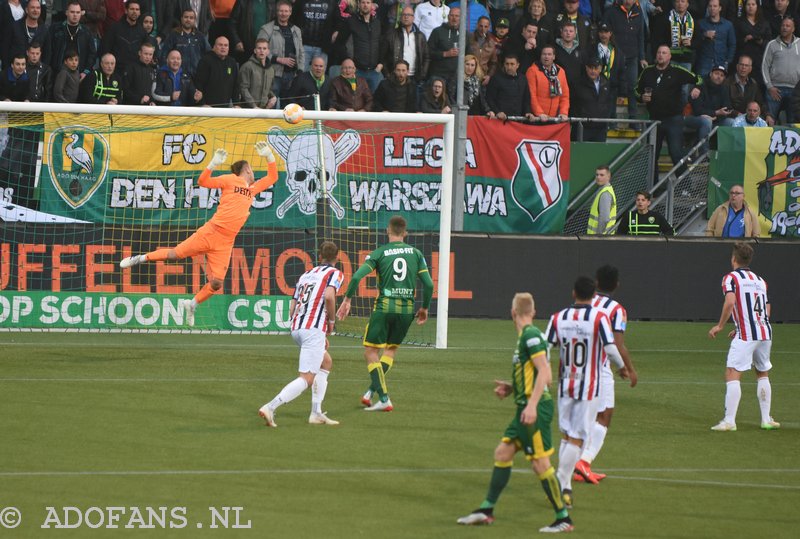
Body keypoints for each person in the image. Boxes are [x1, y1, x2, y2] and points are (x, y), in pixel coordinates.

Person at [120, 141, 279, 327]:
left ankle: (192, 304)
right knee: (174, 254)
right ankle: (140, 258)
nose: (253, 173)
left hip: (226, 242)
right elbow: (203, 181)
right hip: (211, 231)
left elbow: (273, 177)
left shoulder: (253, 190)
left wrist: (269, 156)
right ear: (247, 170)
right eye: (251, 169)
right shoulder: (229, 179)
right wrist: (213, 163)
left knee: (217, 283)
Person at [456, 292, 573, 534]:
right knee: (503, 451)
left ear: (512, 313)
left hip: (534, 409)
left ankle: (563, 518)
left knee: (540, 464)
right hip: (525, 405)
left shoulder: (530, 336)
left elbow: (545, 373)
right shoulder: (528, 337)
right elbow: (537, 373)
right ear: (533, 311)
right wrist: (512, 387)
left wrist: (531, 405)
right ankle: (486, 510)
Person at [336, 215, 434, 412]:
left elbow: (356, 277)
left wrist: (347, 300)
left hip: (384, 307)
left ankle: (384, 398)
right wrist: (424, 308)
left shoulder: (379, 253)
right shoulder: (416, 254)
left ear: (387, 231)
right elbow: (430, 285)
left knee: (370, 352)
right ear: (405, 233)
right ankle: (370, 392)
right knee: (390, 350)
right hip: (406, 311)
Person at [545, 276, 627, 510]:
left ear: (573, 293)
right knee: (577, 438)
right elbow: (610, 348)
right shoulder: (599, 318)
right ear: (593, 296)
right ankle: (561, 481)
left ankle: (565, 485)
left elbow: (544, 346)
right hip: (588, 387)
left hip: (565, 385)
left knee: (566, 435)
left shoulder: (558, 318)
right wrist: (622, 367)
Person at [258, 241, 343, 428]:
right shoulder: (334, 273)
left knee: (325, 362)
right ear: (337, 258)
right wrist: (330, 322)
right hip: (312, 329)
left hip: (297, 327)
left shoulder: (306, 274)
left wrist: (313, 331)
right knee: (306, 378)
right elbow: (329, 296)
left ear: (319, 256)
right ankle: (270, 407)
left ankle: (316, 412)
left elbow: (293, 306)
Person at [573, 266, 638, 484]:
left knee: (585, 416)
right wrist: (628, 368)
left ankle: (579, 465)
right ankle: (584, 461)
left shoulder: (585, 301)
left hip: (577, 364)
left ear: (596, 282)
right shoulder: (616, 309)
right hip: (600, 368)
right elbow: (618, 345)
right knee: (604, 415)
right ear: (617, 284)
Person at [708, 242, 779, 432]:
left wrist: (721, 325)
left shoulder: (730, 278)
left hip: (748, 333)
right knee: (762, 373)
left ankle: (729, 421)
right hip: (764, 331)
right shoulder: (760, 280)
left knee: (732, 372)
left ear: (733, 259)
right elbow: (767, 307)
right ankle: (766, 419)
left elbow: (730, 302)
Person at [636, 45, 702, 172]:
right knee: (651, 155)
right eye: (659, 52)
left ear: (670, 56)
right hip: (654, 120)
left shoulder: (677, 71)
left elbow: (699, 79)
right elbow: (635, 91)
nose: (661, 55)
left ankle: (685, 189)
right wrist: (641, 97)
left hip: (673, 119)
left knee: (676, 154)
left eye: (664, 53)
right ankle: (652, 189)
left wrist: (697, 88)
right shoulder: (647, 71)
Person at [604, 0, 647, 122]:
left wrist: (642, 56)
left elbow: (641, 36)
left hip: (632, 56)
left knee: (632, 87)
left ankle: (633, 118)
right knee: (613, 87)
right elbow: (604, 33)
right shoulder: (611, 12)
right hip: (615, 55)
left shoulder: (639, 13)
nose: (628, 1)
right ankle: (611, 120)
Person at [257, 0, 304, 102]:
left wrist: (300, 70)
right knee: (271, 105)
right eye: (281, 11)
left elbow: (301, 52)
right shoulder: (266, 29)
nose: (284, 14)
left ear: (290, 12)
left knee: (288, 109)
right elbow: (259, 49)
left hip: (292, 75)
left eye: (286, 11)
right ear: (277, 12)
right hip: (273, 74)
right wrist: (279, 59)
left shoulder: (296, 30)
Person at [685, 64, 736, 153]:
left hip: (715, 119)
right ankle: (704, 155)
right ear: (710, 74)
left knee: (731, 122)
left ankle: (725, 153)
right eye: (716, 73)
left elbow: (727, 109)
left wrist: (715, 116)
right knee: (706, 121)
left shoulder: (724, 88)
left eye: (722, 75)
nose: (719, 77)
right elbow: (697, 110)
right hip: (694, 118)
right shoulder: (700, 86)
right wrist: (715, 113)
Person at [337, 0, 384, 94]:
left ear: (372, 5)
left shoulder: (377, 23)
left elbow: (382, 44)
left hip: (374, 72)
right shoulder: (350, 22)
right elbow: (339, 43)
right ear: (358, 4)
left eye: (368, 2)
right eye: (363, 2)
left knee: (374, 103)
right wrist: (348, 61)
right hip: (356, 71)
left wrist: (381, 63)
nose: (365, 5)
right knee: (355, 102)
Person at [761, 17, 800, 125]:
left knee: (794, 124)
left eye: (788, 26)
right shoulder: (772, 44)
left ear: (793, 29)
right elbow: (764, 66)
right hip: (775, 90)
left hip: (795, 91)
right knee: (769, 122)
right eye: (783, 25)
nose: (784, 28)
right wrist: (769, 87)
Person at [43, 1, 97, 77]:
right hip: (57, 73)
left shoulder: (86, 32)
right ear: (66, 13)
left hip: (79, 74)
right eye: (72, 12)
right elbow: (48, 51)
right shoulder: (55, 29)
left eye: (78, 12)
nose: (75, 15)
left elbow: (92, 54)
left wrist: (86, 71)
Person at [382, 5, 429, 87]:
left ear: (413, 18)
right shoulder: (391, 34)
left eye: (409, 15)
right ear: (400, 17)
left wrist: (422, 75)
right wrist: (388, 75)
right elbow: (383, 57)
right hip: (396, 78)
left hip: (415, 78)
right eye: (404, 15)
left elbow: (426, 57)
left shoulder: (420, 36)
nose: (406, 17)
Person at [569, 57, 612, 142]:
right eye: (590, 68)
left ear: (600, 69)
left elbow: (608, 103)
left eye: (596, 68)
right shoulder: (577, 83)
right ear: (586, 68)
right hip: (581, 127)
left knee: (598, 154)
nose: (593, 71)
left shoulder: (606, 83)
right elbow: (571, 103)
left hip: (600, 128)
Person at [159, 9, 211, 77]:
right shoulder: (173, 35)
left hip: (197, 76)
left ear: (194, 20)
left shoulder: (200, 36)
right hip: (177, 76)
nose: (188, 20)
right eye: (186, 17)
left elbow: (209, 55)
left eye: (191, 18)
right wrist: (165, 73)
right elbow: (164, 54)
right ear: (181, 19)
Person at [526, 45, 570, 122]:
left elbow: (565, 96)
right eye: (544, 54)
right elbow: (531, 95)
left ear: (554, 57)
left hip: (555, 118)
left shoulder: (561, 71)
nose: (546, 57)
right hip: (537, 118)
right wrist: (540, 113)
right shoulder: (532, 71)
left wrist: (563, 112)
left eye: (549, 54)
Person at [101, 0, 147, 71]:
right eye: (132, 9)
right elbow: (105, 49)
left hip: (135, 71)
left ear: (140, 12)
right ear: (126, 11)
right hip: (117, 71)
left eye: (137, 9)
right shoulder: (114, 28)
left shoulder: (142, 32)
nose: (134, 12)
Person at [194, 35, 240, 107]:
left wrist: (236, 104)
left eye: (226, 45)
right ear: (214, 47)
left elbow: (235, 85)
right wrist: (202, 103)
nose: (223, 47)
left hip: (225, 107)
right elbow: (199, 84)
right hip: (207, 107)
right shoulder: (205, 61)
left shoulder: (232, 62)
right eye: (220, 45)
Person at [485, 53, 534, 120]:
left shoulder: (523, 79)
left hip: (518, 120)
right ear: (504, 65)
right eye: (507, 64)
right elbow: (489, 98)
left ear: (517, 65)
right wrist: (497, 112)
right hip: (500, 120)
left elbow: (526, 99)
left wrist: (527, 112)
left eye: (512, 64)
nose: (509, 67)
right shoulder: (496, 79)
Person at [427, 6, 461, 102]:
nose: (454, 18)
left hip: (455, 77)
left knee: (453, 105)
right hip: (438, 75)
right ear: (448, 16)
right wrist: (445, 54)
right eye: (452, 15)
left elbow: (469, 55)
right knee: (436, 103)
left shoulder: (464, 34)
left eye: (457, 16)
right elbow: (428, 52)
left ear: (461, 18)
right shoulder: (437, 31)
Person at [693, 0, 735, 78]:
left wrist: (728, 61)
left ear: (720, 8)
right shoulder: (700, 23)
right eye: (710, 6)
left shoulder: (728, 25)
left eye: (715, 6)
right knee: (701, 87)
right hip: (704, 62)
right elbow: (694, 41)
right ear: (707, 8)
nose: (712, 8)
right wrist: (704, 35)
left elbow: (732, 44)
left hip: (721, 62)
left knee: (719, 88)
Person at [238, 38, 277, 109]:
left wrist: (273, 97)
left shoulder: (271, 69)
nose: (262, 51)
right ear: (255, 51)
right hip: (247, 109)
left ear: (268, 51)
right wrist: (254, 106)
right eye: (259, 48)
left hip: (263, 110)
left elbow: (269, 89)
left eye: (264, 48)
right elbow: (243, 89)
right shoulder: (247, 66)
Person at [586, 165, 616, 235]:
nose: (598, 177)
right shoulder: (604, 190)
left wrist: (598, 235)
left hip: (600, 237)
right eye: (597, 175)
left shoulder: (605, 193)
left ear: (608, 176)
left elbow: (604, 218)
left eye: (602, 175)